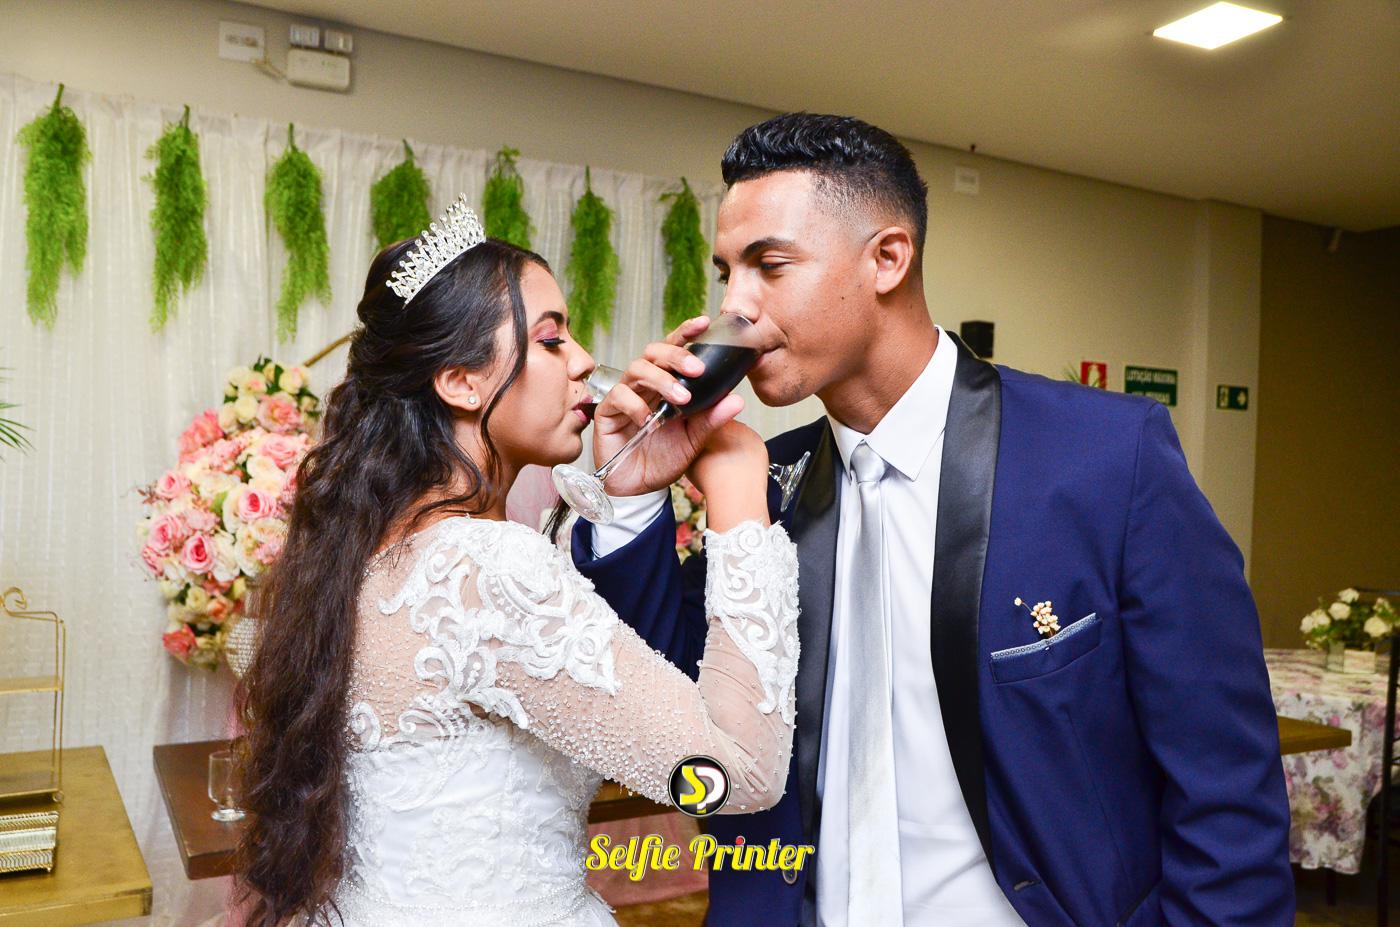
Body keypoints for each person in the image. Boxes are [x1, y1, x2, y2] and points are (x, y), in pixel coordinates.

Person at [571, 114, 1294, 926]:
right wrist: (629, 496)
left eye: (769, 265)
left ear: (888, 258)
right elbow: (671, 707)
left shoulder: (1108, 458)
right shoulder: (761, 486)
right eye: (727, 272)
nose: (733, 305)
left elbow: (1226, 789)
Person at [232, 196, 801, 927]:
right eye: (553, 339)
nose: (585, 361)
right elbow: (737, 775)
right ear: (460, 381)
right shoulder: (489, 568)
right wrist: (738, 492)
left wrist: (625, 487)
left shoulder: (365, 551)